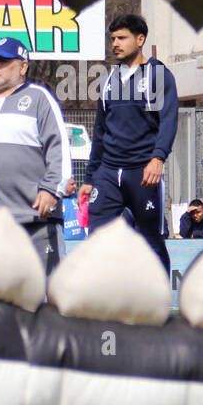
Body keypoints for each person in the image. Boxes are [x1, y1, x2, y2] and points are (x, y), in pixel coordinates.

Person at [80, 15, 178, 273]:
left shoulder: (158, 75)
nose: (115, 44)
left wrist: (158, 158)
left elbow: (168, 120)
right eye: (112, 38)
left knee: (150, 240)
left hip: (143, 173)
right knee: (97, 240)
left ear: (140, 39)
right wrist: (90, 177)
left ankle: (156, 303)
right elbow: (100, 131)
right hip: (108, 173)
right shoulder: (109, 79)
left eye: (121, 38)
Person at [0, 38, 71, 273]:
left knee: (49, 294)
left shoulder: (38, 98)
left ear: (23, 66)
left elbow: (59, 148)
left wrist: (52, 189)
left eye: (2, 60)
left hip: (34, 219)